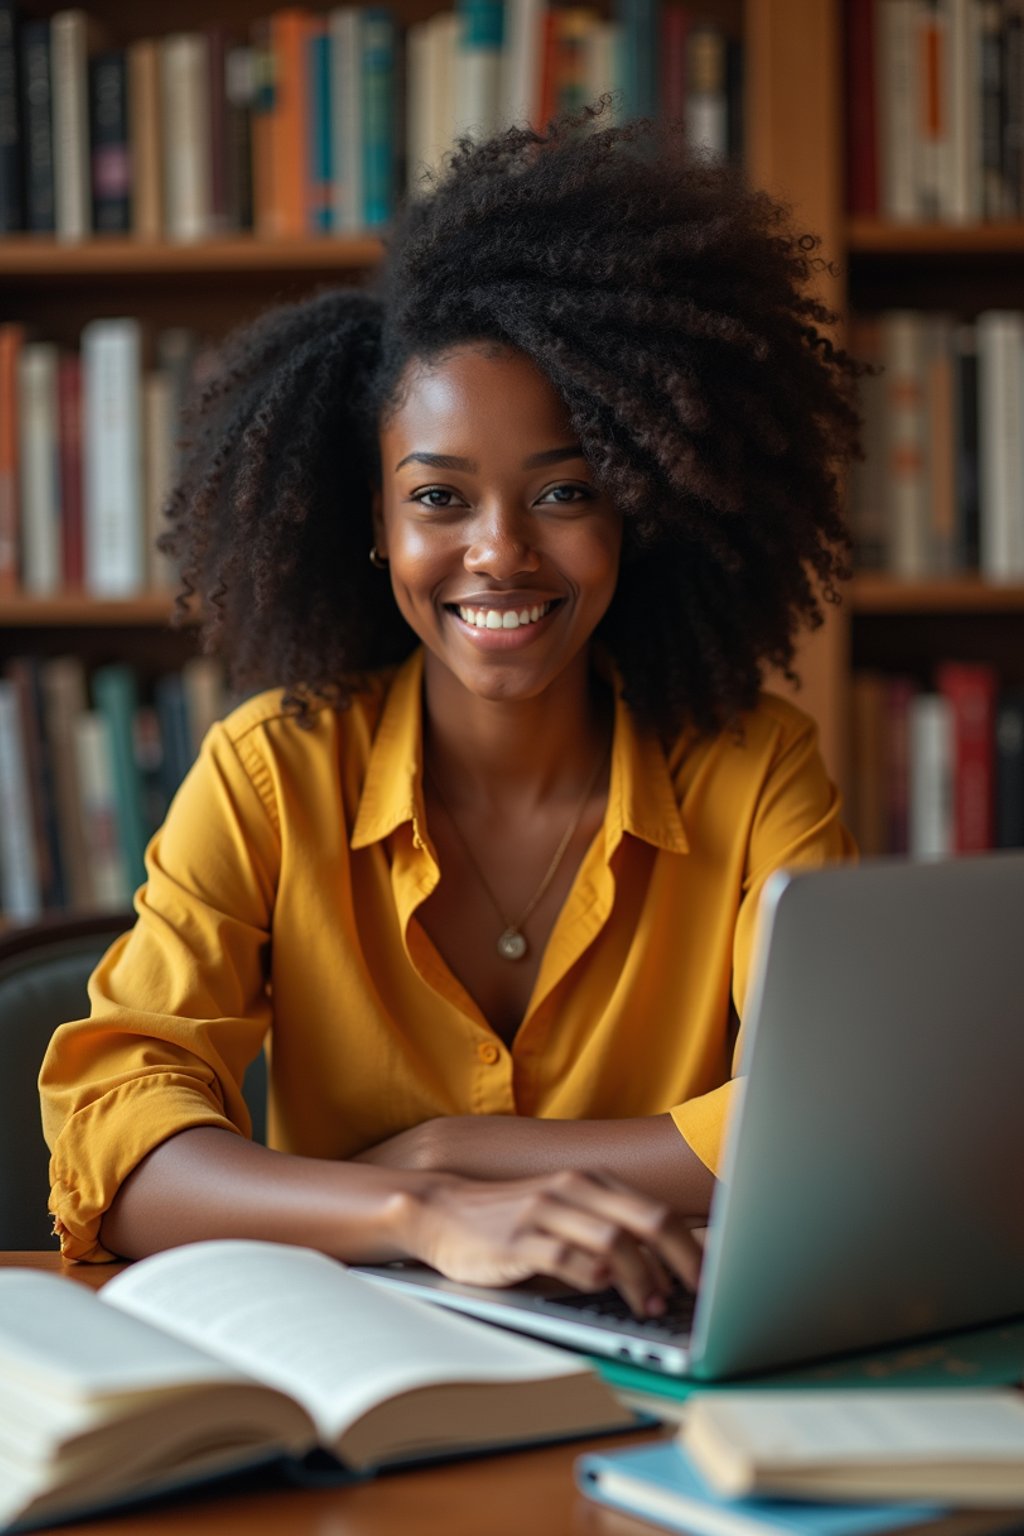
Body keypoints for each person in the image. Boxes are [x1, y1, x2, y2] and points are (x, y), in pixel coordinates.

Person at [40, 108, 861, 1319]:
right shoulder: (272, 776)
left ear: (636, 504)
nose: (501, 553)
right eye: (440, 498)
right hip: (366, 1360)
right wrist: (412, 1211)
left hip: (659, 1353)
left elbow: (836, 1115)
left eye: (563, 491)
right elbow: (115, 1138)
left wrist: (451, 1150)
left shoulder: (752, 771)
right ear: (373, 527)